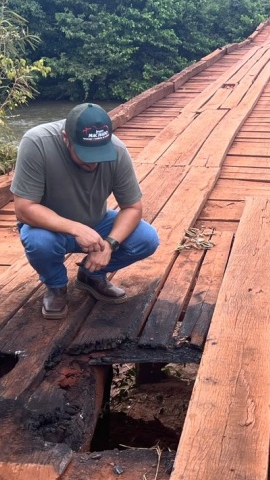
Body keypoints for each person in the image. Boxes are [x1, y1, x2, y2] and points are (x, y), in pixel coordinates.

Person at [10, 103, 159, 319]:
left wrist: (110, 243)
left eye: (100, 154)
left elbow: (133, 208)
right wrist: (75, 228)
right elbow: (24, 209)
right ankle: (56, 286)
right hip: (49, 228)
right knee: (38, 242)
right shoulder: (37, 143)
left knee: (146, 239)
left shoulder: (117, 151)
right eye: (86, 155)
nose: (94, 164)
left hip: (97, 221)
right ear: (65, 138)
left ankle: (92, 275)